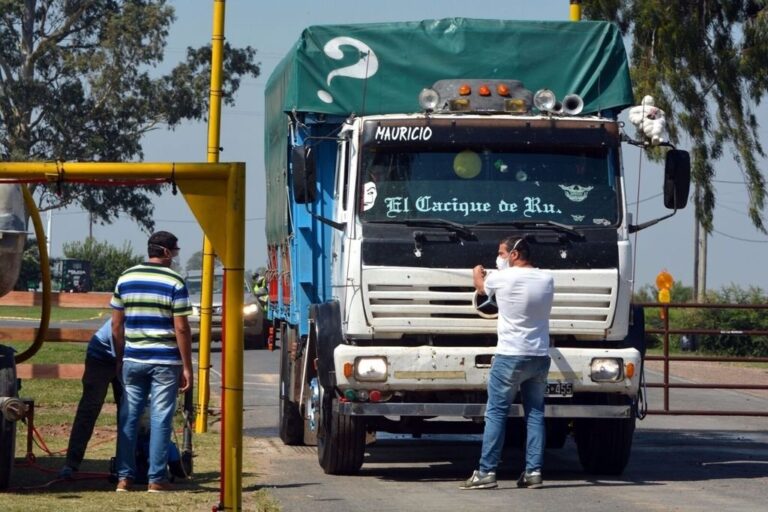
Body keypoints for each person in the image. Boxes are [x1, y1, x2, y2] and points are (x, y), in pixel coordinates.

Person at [461, 236, 554, 490]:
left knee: (496, 413)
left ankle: (486, 472)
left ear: (514, 255)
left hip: (510, 356)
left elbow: (481, 288)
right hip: (539, 356)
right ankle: (533, 472)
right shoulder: (547, 278)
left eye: (502, 253)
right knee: (535, 414)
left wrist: (476, 272)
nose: (499, 257)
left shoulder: (503, 278)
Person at [111, 231, 193, 492]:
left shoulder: (126, 277)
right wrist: (187, 366)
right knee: (161, 418)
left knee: (129, 418)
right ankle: (156, 479)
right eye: (176, 252)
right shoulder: (175, 281)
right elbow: (181, 328)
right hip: (165, 361)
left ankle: (124, 477)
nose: (176, 257)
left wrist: (120, 356)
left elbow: (116, 325)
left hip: (133, 359)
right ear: (166, 252)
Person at [58, 318, 123, 480]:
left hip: (126, 356)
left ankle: (124, 468)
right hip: (101, 354)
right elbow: (116, 327)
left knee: (129, 412)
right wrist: (120, 361)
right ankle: (71, 464)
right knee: (89, 408)